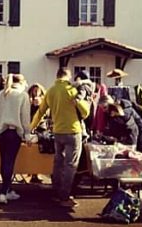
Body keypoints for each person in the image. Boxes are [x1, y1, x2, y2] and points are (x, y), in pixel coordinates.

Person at [31, 68, 90, 209]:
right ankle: (64, 195)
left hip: (57, 131)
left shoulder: (50, 91)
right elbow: (85, 112)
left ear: (57, 76)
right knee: (71, 164)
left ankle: (56, 191)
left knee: (58, 162)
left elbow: (40, 112)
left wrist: (31, 127)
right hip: (73, 131)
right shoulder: (71, 90)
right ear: (68, 76)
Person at [0, 73, 31, 205]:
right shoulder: (22, 95)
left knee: (4, 162)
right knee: (10, 162)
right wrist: (27, 133)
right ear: (22, 82)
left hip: (2, 132)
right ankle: (4, 192)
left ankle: (7, 189)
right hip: (14, 133)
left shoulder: (3, 94)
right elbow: (25, 118)